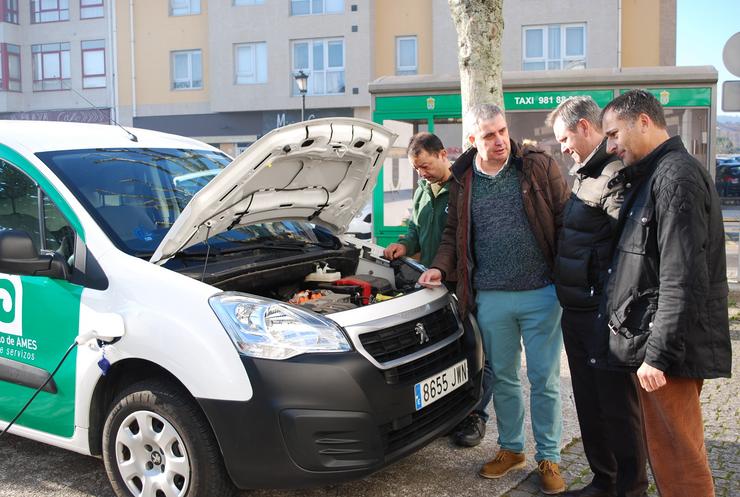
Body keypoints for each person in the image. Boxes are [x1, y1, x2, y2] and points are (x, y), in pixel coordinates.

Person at [419, 104, 569, 495]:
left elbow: (565, 218)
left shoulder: (537, 165)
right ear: (473, 140)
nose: (500, 140)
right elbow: (453, 234)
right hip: (491, 297)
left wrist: (572, 279)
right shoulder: (462, 179)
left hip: (541, 293)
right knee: (503, 378)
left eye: (502, 131)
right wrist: (439, 266)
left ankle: (549, 457)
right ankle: (511, 449)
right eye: (489, 135)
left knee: (544, 379)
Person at [599, 89, 732, 497]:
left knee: (680, 460)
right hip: (661, 344)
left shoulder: (675, 176)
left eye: (613, 133)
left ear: (643, 121)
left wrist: (657, 354)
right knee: (668, 454)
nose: (610, 145)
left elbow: (683, 276)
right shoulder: (656, 174)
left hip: (668, 352)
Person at [546, 96, 647, 497]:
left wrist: (610, 310)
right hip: (576, 310)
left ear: (586, 128)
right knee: (590, 405)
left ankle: (629, 487)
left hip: (601, 315)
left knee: (617, 409)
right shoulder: (584, 174)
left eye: (566, 138)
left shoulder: (615, 174)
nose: (563, 147)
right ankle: (603, 481)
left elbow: (625, 251)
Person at [383, 132, 493, 447]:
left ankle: (476, 417)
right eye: (417, 169)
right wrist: (403, 245)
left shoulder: (462, 190)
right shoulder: (421, 192)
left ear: (443, 154)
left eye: (426, 166)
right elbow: (414, 229)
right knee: (448, 355)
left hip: (465, 286)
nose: (422, 173)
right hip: (433, 289)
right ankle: (452, 412)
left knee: (481, 352)